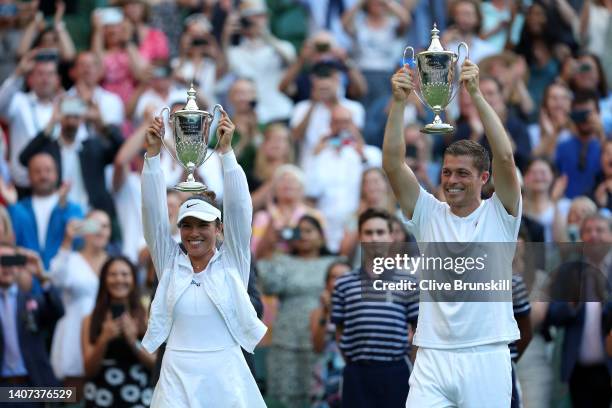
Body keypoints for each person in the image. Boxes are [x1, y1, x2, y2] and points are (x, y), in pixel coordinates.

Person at [383, 60, 522, 407]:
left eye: (462, 173)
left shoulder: (501, 213)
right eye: (446, 173)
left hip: (486, 354)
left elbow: (504, 156)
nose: (452, 180)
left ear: (483, 178)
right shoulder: (428, 213)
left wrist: (475, 93)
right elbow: (392, 164)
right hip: (432, 355)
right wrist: (399, 103)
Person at [142, 111, 267, 406]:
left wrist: (226, 153)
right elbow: (152, 216)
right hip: (175, 373)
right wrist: (152, 157)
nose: (194, 233)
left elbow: (239, 208)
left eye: (203, 225)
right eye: (187, 225)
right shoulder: (170, 263)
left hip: (226, 373)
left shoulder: (233, 261)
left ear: (219, 228)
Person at [331, 208, 419, 408]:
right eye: (368, 232)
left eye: (380, 232)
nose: (374, 238)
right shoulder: (343, 283)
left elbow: (417, 330)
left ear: (391, 236)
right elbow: (339, 330)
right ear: (360, 236)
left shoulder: (408, 281)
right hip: (356, 373)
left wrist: (413, 366)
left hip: (396, 371)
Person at [258, 214, 337, 407]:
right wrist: (274, 246)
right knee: (284, 400)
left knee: (320, 399)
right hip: (286, 344)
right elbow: (269, 286)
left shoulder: (335, 263)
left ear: (321, 235)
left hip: (322, 343)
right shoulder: (283, 261)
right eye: (299, 232)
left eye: (309, 231)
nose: (304, 236)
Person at [546, 214, 612, 407]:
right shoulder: (570, 272)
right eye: (588, 231)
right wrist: (572, 303)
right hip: (578, 372)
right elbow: (553, 316)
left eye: (600, 230)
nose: (594, 236)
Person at [46, 210, 111, 401]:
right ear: (84, 230)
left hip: (105, 332)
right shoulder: (71, 259)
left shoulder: (114, 262)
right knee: (73, 395)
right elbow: (55, 279)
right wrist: (67, 240)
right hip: (74, 332)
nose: (100, 231)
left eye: (105, 226)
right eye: (95, 225)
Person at [81, 256, 155, 407]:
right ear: (104, 280)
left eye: (125, 274)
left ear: (134, 279)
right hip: (101, 394)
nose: (119, 279)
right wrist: (104, 338)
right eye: (113, 274)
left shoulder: (147, 317)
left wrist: (133, 341)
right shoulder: (90, 319)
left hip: (138, 393)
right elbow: (88, 370)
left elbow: (156, 364)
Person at [0, 243, 64, 408]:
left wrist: (42, 277)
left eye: (10, 260)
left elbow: (58, 310)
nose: (6, 267)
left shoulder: (32, 300)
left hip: (31, 386)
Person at [310, 259, 352, 408]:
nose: (339, 281)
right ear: (327, 282)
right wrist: (326, 311)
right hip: (324, 373)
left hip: (350, 371)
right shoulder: (318, 312)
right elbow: (317, 346)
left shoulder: (360, 309)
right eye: (334, 277)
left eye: (344, 276)